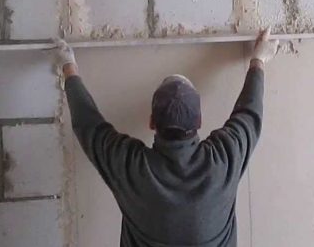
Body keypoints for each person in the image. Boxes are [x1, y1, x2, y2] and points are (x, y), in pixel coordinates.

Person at [54, 29, 279, 247]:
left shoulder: (132, 168)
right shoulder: (223, 161)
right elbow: (249, 115)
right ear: (199, 121)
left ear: (152, 122)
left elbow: (89, 125)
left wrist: (68, 66)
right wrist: (258, 60)